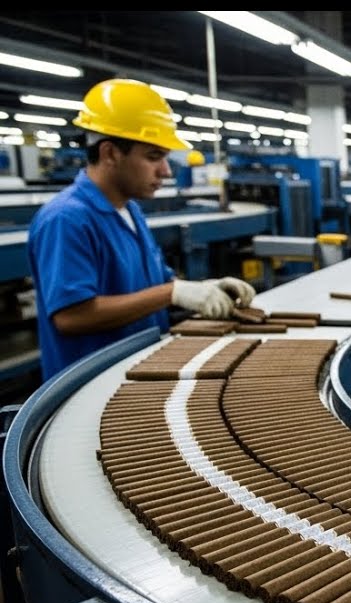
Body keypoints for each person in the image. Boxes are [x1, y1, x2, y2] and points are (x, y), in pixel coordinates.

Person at [27, 78, 254, 380]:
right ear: (109, 153)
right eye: (153, 157)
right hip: (87, 389)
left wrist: (204, 288)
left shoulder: (130, 209)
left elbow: (155, 284)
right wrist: (172, 293)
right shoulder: (66, 219)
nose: (167, 171)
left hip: (136, 374)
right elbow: (71, 316)